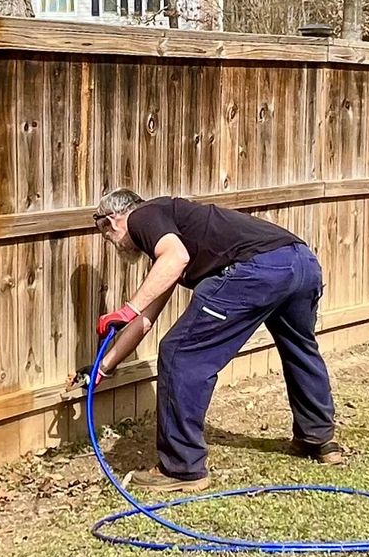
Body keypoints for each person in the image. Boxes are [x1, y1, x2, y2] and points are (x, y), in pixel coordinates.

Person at [90, 186, 344, 492]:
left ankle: (181, 468)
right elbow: (146, 317)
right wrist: (104, 366)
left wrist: (126, 309)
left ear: (114, 218)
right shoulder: (171, 232)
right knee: (299, 347)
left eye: (104, 229)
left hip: (258, 269)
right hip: (301, 262)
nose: (108, 238)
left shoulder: (143, 216)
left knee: (179, 354)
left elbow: (175, 258)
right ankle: (318, 439)